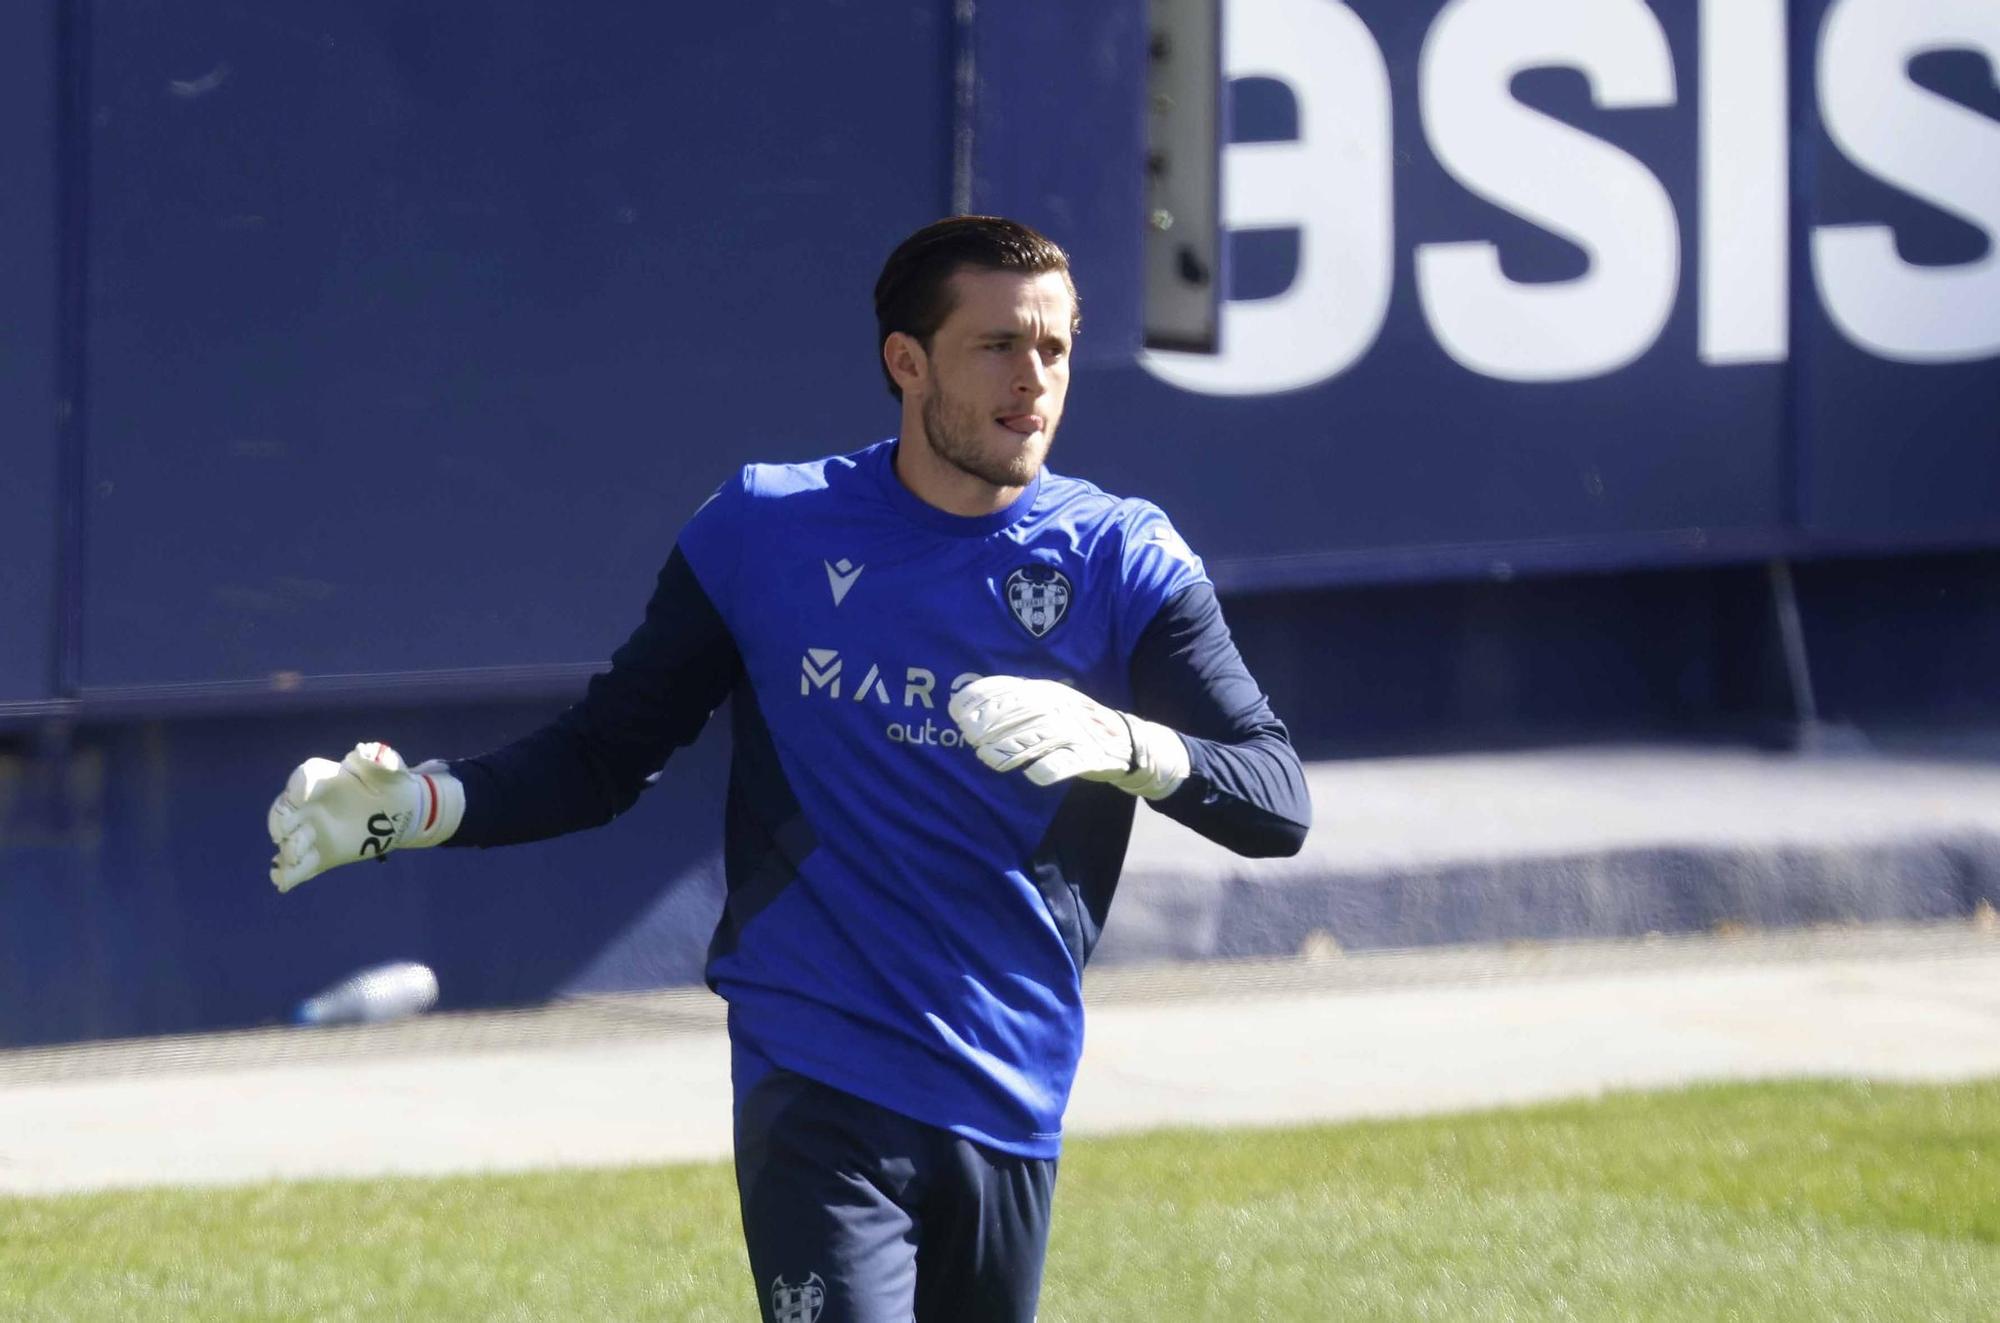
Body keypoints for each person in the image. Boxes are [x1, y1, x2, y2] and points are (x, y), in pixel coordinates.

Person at [267, 215, 1311, 1322]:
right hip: (816, 1075)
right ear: (904, 363)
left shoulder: (1121, 559)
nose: (1034, 381)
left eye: (1053, 349)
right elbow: (604, 755)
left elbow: (1275, 801)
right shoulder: (765, 530)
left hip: (1011, 1085)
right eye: (998, 346)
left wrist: (1132, 746)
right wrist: (421, 805)